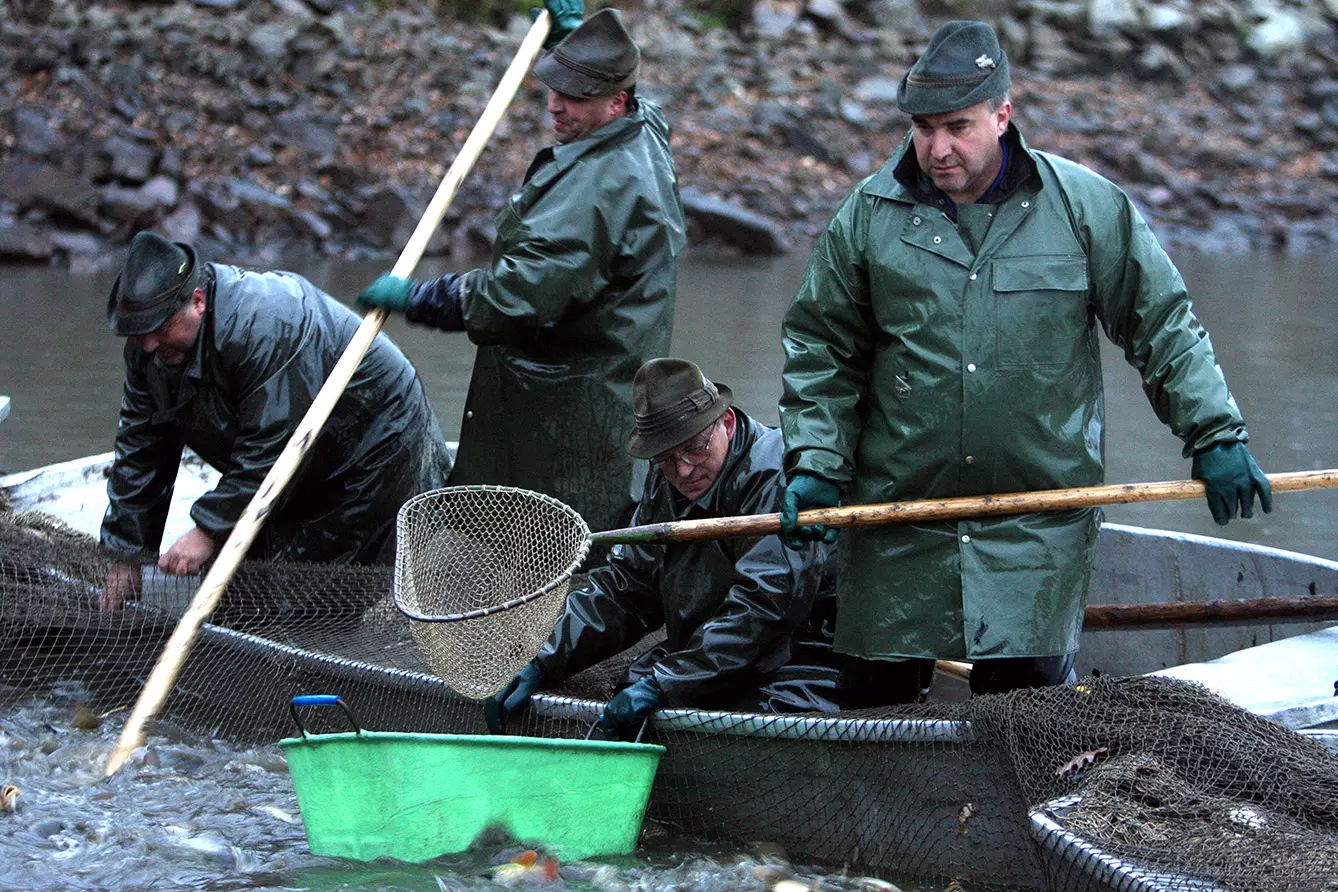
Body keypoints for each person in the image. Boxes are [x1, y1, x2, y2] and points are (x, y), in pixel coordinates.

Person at [776, 21, 1272, 705]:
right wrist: (815, 461)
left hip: (1035, 526)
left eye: (958, 127)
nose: (938, 148)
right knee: (873, 713)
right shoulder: (867, 215)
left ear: (1002, 115)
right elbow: (822, 349)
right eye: (923, 128)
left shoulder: (1083, 206)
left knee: (1027, 726)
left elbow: (1162, 324)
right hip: (896, 523)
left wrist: (1215, 433)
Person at [356, 6, 685, 553]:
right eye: (554, 88)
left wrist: (422, 298)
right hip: (602, 381)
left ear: (615, 102)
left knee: (550, 542)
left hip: (566, 402)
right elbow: (645, 104)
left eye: (575, 95)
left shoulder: (600, 189)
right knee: (548, 532)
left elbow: (518, 296)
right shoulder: (642, 130)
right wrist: (573, 43)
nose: (555, 104)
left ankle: (549, 632)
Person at [485, 358, 840, 740]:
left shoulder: (774, 473)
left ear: (726, 423)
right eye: (667, 459)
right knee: (630, 691)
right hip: (711, 645)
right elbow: (626, 588)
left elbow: (764, 608)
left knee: (741, 720)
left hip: (802, 654)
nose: (684, 471)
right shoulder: (666, 480)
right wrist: (541, 659)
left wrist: (664, 685)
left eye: (694, 450)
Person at [99, 231, 451, 612]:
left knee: (305, 605)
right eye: (137, 334)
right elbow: (141, 448)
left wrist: (208, 529)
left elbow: (274, 446)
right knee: (238, 593)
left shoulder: (265, 322)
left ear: (197, 302)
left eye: (158, 329)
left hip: (374, 444)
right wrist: (127, 553)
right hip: (290, 460)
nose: (148, 345)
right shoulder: (148, 348)